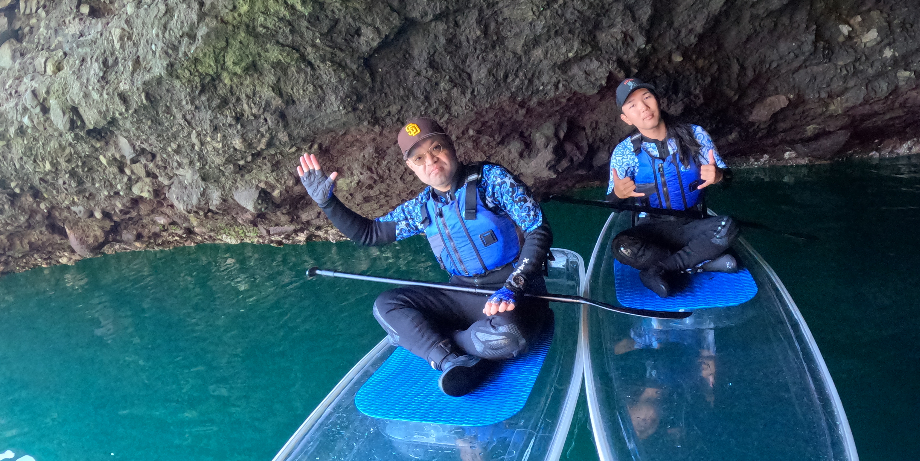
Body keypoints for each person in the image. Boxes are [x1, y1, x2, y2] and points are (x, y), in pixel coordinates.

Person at [295, 117, 552, 397]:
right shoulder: (421, 208)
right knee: (386, 306)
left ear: (451, 147)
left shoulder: (492, 180)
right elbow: (369, 233)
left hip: (515, 291)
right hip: (462, 292)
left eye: (436, 148)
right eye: (419, 157)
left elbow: (537, 227)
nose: (431, 160)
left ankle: (443, 342)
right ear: (411, 167)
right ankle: (453, 360)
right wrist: (328, 204)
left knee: (510, 335)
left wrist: (515, 284)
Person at [607, 79, 739, 297]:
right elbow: (612, 204)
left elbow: (727, 179)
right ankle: (700, 263)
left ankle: (662, 269)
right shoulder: (624, 153)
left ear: (658, 100)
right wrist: (618, 195)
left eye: (647, 97)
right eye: (632, 105)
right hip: (651, 228)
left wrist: (719, 176)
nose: (643, 107)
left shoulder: (695, 135)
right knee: (621, 246)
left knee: (729, 226)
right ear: (625, 118)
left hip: (692, 222)